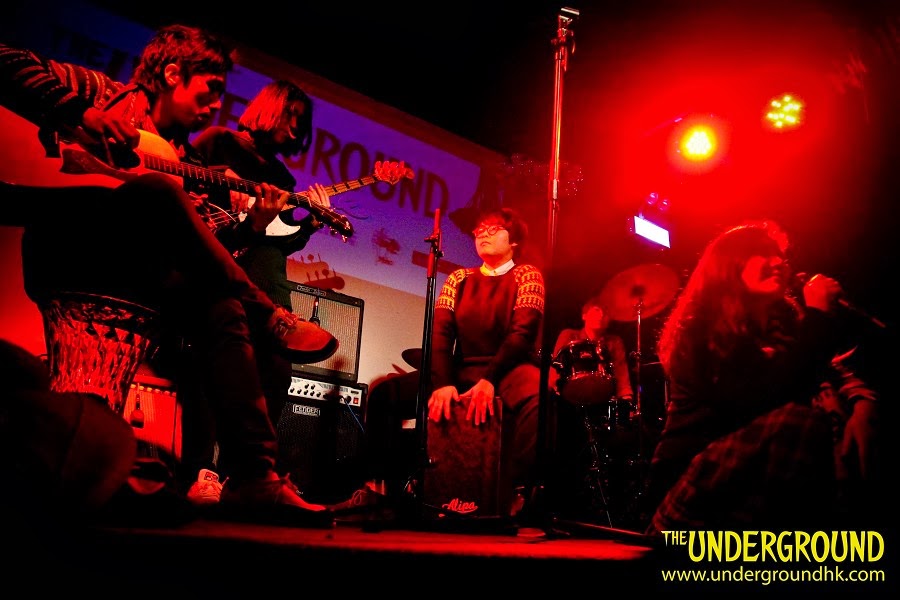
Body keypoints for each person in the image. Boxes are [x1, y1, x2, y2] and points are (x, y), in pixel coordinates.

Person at [0, 26, 340, 523]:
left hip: (138, 275)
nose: (215, 106)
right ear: (172, 73)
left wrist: (253, 226)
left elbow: (204, 246)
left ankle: (255, 476)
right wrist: (79, 113)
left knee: (221, 305)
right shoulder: (101, 92)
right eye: (209, 90)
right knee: (159, 192)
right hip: (67, 249)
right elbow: (5, 57)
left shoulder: (188, 162)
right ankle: (268, 314)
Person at [644, 219, 880, 534]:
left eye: (780, 255)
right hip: (694, 488)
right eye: (762, 253)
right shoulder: (699, 329)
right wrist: (819, 317)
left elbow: (830, 373)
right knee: (798, 422)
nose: (778, 262)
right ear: (729, 266)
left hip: (752, 487)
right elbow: (760, 399)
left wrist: (863, 403)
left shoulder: (787, 327)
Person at [178, 79, 333, 504]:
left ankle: (242, 476)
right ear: (270, 108)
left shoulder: (283, 177)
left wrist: (311, 222)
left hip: (269, 282)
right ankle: (199, 471)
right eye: (291, 117)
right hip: (223, 270)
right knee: (212, 367)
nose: (296, 129)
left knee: (276, 376)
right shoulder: (219, 141)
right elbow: (187, 191)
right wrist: (224, 185)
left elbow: (279, 240)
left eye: (302, 123)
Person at [426, 207, 545, 518]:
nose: (482, 234)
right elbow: (441, 333)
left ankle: (519, 490)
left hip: (509, 368)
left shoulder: (527, 275)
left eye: (493, 229)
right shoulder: (459, 278)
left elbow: (521, 334)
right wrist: (443, 383)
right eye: (479, 230)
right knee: (387, 392)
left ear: (513, 240)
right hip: (464, 367)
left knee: (538, 394)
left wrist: (490, 379)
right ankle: (379, 487)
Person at [548, 295, 640, 525]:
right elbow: (554, 368)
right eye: (596, 310)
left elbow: (622, 376)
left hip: (603, 403)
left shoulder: (614, 342)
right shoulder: (570, 336)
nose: (601, 315)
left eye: (605, 312)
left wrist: (627, 403)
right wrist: (552, 390)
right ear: (584, 314)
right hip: (569, 404)